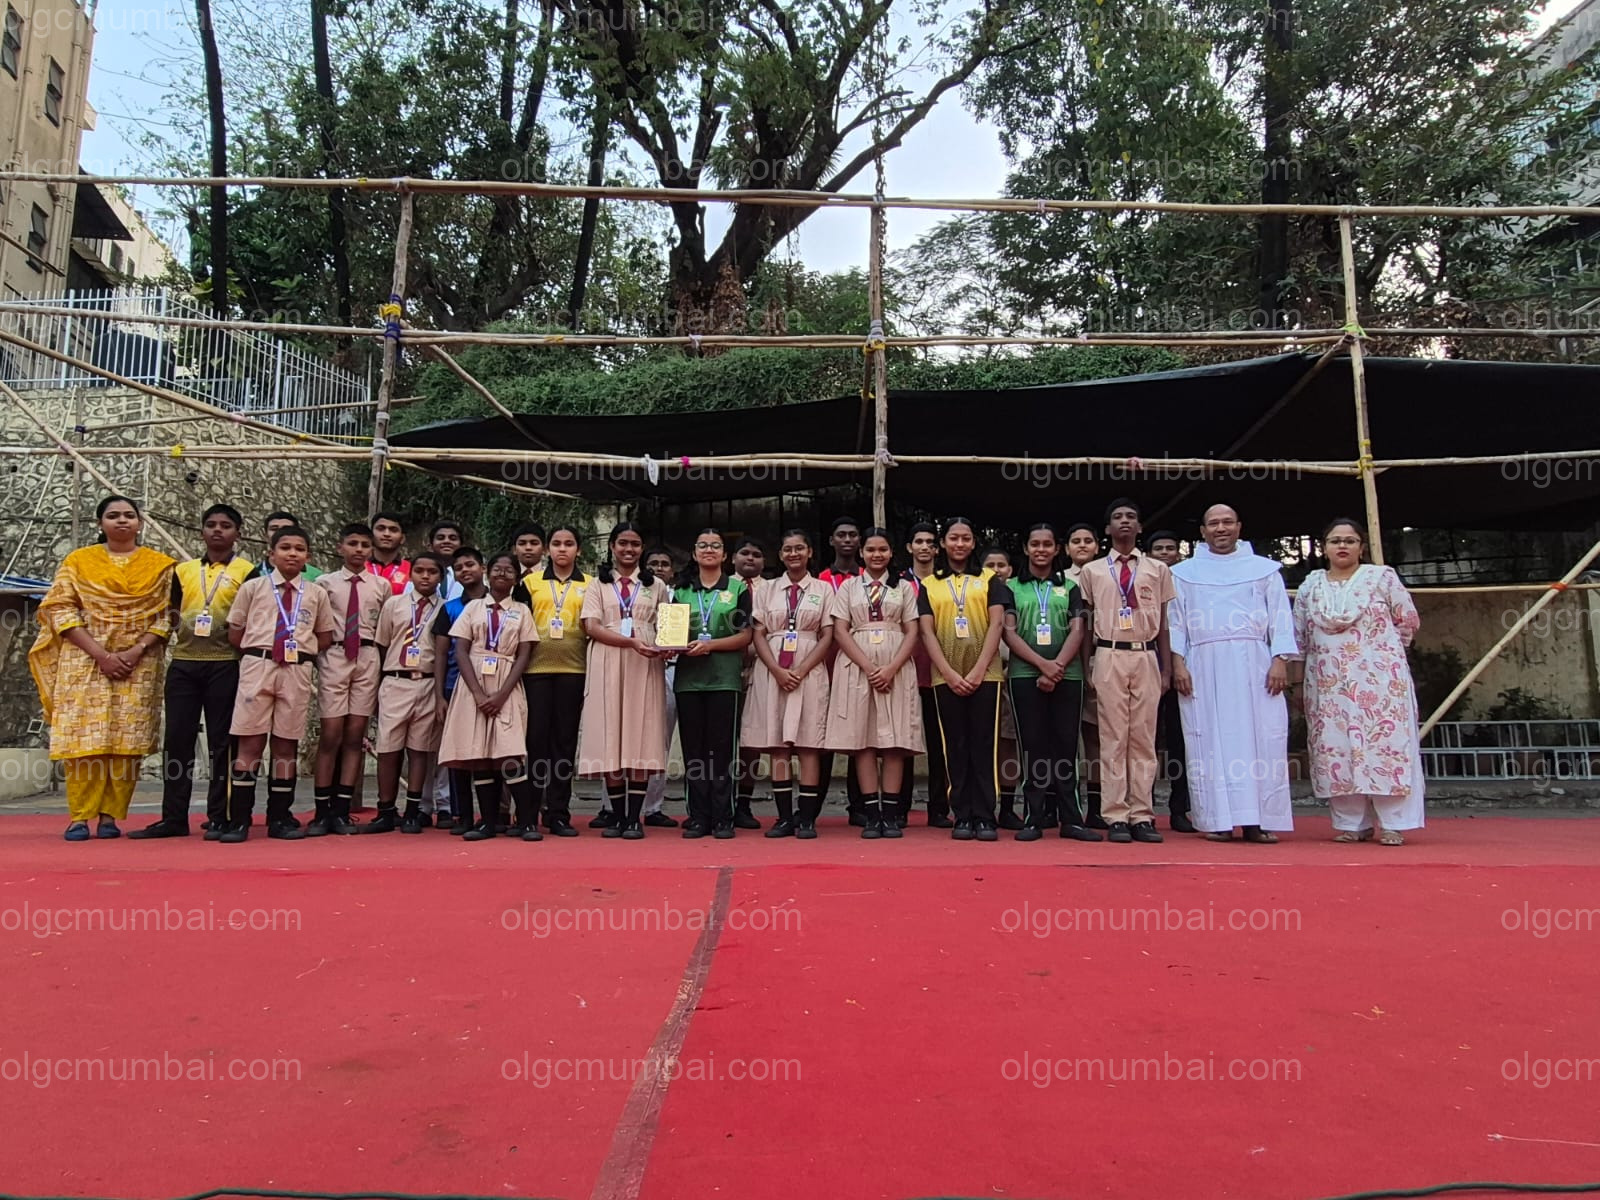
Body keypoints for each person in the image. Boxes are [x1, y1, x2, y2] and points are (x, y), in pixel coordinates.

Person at [30, 495, 176, 842]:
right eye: (113, 515)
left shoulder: (160, 566)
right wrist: (101, 654)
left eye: (129, 515)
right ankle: (79, 816)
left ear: (140, 523)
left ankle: (111, 815)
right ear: (100, 523)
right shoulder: (78, 561)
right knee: (85, 739)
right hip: (85, 658)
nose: (122, 520)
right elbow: (60, 609)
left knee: (127, 741)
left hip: (139, 662)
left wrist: (136, 650)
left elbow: (168, 615)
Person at [1170, 504, 1298, 844]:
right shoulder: (1183, 573)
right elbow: (1175, 622)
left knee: (1260, 738)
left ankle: (1258, 820)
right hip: (1202, 663)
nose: (1221, 528)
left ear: (1239, 527)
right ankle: (1218, 820)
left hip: (1255, 663)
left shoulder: (1264, 570)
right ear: (1203, 531)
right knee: (1209, 740)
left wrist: (1280, 659)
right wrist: (1178, 663)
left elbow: (1280, 616)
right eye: (1213, 523)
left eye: (1227, 522)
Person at [1294, 518, 1425, 846]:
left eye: (1350, 541)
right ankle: (1351, 823)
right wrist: (1298, 680)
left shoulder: (1382, 578)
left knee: (1385, 746)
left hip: (1380, 681)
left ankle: (1393, 823)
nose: (1342, 546)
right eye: (1335, 540)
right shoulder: (1311, 586)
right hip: (1327, 682)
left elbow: (1407, 621)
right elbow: (1299, 636)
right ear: (1324, 548)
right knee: (1335, 747)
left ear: (1361, 547)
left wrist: (1379, 655)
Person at [132, 503, 253, 840]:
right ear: (201, 531)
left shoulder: (248, 571)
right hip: (184, 663)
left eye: (226, 525)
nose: (218, 530)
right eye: (211, 524)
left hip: (225, 663)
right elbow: (172, 612)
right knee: (177, 741)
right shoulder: (183, 570)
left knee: (222, 743)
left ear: (238, 533)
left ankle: (219, 816)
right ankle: (173, 818)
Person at [223, 524, 337, 841]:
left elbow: (324, 636)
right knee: (250, 742)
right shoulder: (253, 588)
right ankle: (239, 819)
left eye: (299, 549)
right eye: (285, 548)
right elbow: (235, 631)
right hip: (258, 664)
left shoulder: (316, 594)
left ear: (308, 557)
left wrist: (299, 653)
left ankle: (280, 817)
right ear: (271, 554)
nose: (292, 554)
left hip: (296, 669)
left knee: (286, 744)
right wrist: (260, 651)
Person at [1077, 499, 1173, 845]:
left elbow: (1164, 624)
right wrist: (1087, 665)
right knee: (1113, 737)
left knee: (1143, 738)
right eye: (1117, 517)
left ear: (1140, 526)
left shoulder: (1157, 569)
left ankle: (1142, 814)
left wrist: (1166, 668)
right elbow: (1086, 624)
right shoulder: (1093, 571)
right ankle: (1116, 814)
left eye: (1131, 516)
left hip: (1145, 653)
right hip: (1109, 652)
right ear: (1107, 529)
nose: (1125, 521)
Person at [825, 528, 923, 838]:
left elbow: (913, 630)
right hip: (857, 667)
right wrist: (868, 667)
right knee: (864, 739)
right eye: (870, 550)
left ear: (891, 553)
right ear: (862, 553)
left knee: (894, 741)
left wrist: (891, 669)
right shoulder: (849, 587)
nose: (876, 555)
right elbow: (840, 630)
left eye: (882, 549)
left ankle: (891, 814)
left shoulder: (903, 587)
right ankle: (870, 814)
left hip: (896, 667)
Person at [917, 516, 1010, 841]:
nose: (959, 544)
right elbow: (926, 631)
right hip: (946, 677)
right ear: (943, 543)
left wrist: (978, 670)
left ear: (973, 543)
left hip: (986, 675)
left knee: (984, 745)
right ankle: (962, 815)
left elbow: (997, 625)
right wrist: (948, 672)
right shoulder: (929, 584)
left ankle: (985, 816)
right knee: (954, 746)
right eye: (953, 538)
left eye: (965, 538)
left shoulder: (990, 579)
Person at [578, 522, 673, 839]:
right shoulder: (597, 584)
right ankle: (617, 817)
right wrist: (630, 642)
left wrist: (668, 646)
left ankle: (634, 818)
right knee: (612, 735)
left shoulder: (656, 585)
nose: (628, 549)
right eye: (622, 543)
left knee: (641, 734)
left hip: (644, 663)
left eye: (635, 544)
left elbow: (667, 626)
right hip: (608, 659)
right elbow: (591, 626)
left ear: (642, 548)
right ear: (612, 547)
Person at [1003, 523, 1097, 842]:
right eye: (1035, 544)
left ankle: (1072, 819)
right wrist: (1043, 665)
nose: (1041, 550)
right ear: (1026, 549)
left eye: (1047, 544)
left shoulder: (1070, 587)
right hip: (1024, 676)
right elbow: (1008, 632)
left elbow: (1078, 630)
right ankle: (1034, 817)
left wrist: (1056, 667)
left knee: (1066, 746)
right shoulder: (1011, 587)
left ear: (1057, 549)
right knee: (1033, 747)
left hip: (1068, 676)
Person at [437, 552, 541, 840]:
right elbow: (460, 650)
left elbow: (524, 655)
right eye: (497, 569)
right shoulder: (473, 608)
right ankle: (488, 822)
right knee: (479, 753)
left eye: (509, 571)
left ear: (517, 578)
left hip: (506, 682)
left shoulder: (522, 611)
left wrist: (502, 694)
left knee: (510, 752)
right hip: (473, 684)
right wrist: (478, 693)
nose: (502, 574)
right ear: (488, 572)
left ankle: (527, 821)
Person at [744, 529, 834, 838]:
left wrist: (803, 669)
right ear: (781, 555)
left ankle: (806, 819)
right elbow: (758, 633)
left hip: (809, 669)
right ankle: (783, 818)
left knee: (808, 744)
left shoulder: (823, 589)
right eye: (787, 549)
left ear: (810, 552)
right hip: (772, 671)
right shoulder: (767, 589)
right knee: (777, 746)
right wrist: (776, 670)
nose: (793, 554)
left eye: (799, 548)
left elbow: (828, 634)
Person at [671, 529, 755, 838]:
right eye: (703, 545)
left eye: (715, 546)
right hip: (688, 681)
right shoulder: (681, 591)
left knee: (722, 751)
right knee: (694, 751)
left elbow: (745, 636)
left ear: (724, 555)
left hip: (724, 680)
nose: (709, 550)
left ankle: (723, 817)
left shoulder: (736, 589)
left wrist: (711, 646)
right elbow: (671, 634)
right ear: (694, 553)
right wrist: (669, 645)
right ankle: (698, 817)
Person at [310, 522, 390, 835]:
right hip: (335, 653)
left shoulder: (380, 585)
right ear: (340, 547)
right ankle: (322, 810)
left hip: (367, 656)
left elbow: (384, 627)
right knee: (331, 733)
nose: (359, 550)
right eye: (353, 543)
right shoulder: (325, 583)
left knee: (356, 734)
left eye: (365, 545)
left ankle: (342, 809)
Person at [365, 552, 448, 833]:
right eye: (419, 571)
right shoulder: (394, 604)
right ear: (411, 574)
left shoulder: (445, 609)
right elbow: (382, 645)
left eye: (432, 572)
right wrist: (380, 683)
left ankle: (414, 810)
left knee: (420, 749)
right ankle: (386, 809)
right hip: (395, 680)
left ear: (441, 577)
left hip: (427, 682)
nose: (425, 576)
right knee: (388, 748)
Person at [514, 524, 588, 837]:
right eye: (556, 543)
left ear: (578, 550)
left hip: (575, 671)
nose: (562, 549)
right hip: (535, 672)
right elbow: (517, 625)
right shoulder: (529, 583)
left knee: (564, 743)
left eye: (569, 544)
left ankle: (558, 813)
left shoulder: (591, 585)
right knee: (535, 743)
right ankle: (528, 814)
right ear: (548, 549)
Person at [897, 521, 950, 827]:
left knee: (939, 744)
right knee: (904, 743)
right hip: (905, 671)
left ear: (937, 548)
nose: (925, 547)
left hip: (940, 672)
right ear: (909, 547)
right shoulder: (898, 582)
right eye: (919, 541)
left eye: (930, 542)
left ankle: (939, 808)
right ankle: (899, 807)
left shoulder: (947, 582)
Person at [431, 547, 488, 833]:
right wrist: (439, 695)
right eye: (459, 568)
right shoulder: (450, 608)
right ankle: (462, 814)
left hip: (493, 687)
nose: (465, 570)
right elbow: (441, 653)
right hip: (456, 686)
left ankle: (493, 814)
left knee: (490, 753)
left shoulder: (500, 603)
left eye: (470, 565)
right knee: (459, 753)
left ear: (482, 567)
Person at [817, 515, 868, 826]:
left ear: (859, 541)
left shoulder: (868, 579)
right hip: (825, 666)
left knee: (858, 737)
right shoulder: (819, 580)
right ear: (831, 541)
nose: (847, 540)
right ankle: (813, 806)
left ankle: (859, 806)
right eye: (841, 535)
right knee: (822, 739)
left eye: (852, 535)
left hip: (858, 666)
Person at [1146, 529, 1195, 833]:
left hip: (1181, 671)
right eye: (1158, 549)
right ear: (1149, 555)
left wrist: (1178, 666)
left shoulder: (1189, 583)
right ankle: (1144, 809)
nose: (1165, 553)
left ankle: (1180, 809)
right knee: (1145, 743)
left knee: (1180, 741)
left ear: (1178, 553)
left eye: (1170, 548)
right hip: (1144, 667)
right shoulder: (1141, 583)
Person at [1064, 521, 1107, 829]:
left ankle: (1096, 807)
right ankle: (1061, 806)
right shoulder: (1059, 581)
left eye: (1088, 540)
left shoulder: (1108, 575)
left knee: (1094, 738)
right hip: (1062, 665)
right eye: (1076, 541)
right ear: (1066, 549)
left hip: (1096, 661)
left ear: (1097, 546)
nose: (1082, 545)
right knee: (1063, 739)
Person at [638, 545, 681, 828]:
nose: (658, 568)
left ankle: (653, 807)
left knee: (659, 739)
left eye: (664, 564)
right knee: (623, 736)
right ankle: (611, 806)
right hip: (636, 666)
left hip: (670, 668)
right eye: (653, 563)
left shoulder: (679, 597)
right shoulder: (632, 591)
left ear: (672, 571)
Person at [983, 547, 1025, 829]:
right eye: (990, 565)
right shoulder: (974, 593)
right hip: (981, 675)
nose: (997, 570)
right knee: (983, 742)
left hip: (1012, 673)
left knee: (1008, 743)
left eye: (1002, 565)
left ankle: (1008, 807)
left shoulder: (1018, 596)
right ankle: (981, 804)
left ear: (1010, 569)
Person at [730, 536, 768, 829]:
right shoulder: (723, 587)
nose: (750, 558)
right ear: (732, 558)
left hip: (761, 669)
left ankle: (743, 803)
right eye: (744, 553)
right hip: (724, 667)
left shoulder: (773, 589)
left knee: (750, 742)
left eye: (756, 554)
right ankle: (719, 802)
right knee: (722, 738)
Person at [249, 512, 323, 582]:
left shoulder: (316, 577)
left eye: (286, 529)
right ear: (265, 536)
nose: (280, 533)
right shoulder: (250, 573)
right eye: (274, 529)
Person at [413, 521, 465, 603]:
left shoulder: (468, 573)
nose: (447, 541)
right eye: (440, 538)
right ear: (430, 546)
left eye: (453, 538)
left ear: (461, 547)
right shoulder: (417, 573)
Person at [368, 511, 412, 594]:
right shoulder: (359, 566)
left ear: (402, 538)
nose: (386, 534)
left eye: (393, 530)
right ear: (371, 535)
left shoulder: (412, 570)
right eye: (381, 529)